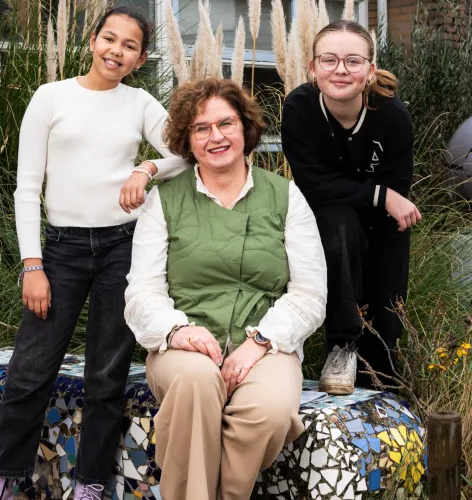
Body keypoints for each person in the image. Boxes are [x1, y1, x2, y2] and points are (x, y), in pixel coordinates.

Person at [0, 7, 188, 500]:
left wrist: (146, 169)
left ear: (140, 58)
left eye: (129, 45)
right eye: (109, 39)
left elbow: (187, 150)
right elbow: (27, 187)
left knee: (106, 373)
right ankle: (2, 478)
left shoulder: (139, 103)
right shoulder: (51, 97)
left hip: (123, 247)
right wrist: (33, 265)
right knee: (30, 368)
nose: (116, 50)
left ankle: (90, 482)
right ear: (93, 41)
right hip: (62, 250)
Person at [124, 78, 327, 500]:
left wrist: (261, 341)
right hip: (183, 348)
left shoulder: (285, 196)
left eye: (226, 123)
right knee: (197, 382)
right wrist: (177, 331)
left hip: (267, 345)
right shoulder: (163, 201)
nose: (216, 136)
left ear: (245, 129)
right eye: (201, 128)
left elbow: (309, 293)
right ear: (187, 139)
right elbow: (142, 293)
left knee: (269, 411)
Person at [282, 20, 421, 395]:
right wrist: (379, 194)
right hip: (327, 217)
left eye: (353, 61)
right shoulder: (299, 108)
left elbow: (398, 198)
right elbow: (313, 185)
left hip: (381, 222)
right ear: (312, 67)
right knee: (340, 226)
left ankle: (385, 385)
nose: (340, 70)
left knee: (386, 330)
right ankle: (342, 345)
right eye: (329, 60)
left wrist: (381, 198)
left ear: (370, 70)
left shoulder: (392, 116)